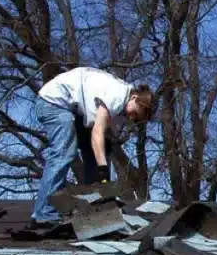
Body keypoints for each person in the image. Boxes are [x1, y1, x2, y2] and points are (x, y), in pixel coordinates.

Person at [29, 67, 156, 228]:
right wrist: (103, 169)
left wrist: (102, 168)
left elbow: (101, 137)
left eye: (136, 119)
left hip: (73, 109)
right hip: (52, 103)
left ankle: (95, 209)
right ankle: (43, 215)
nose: (132, 118)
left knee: (98, 151)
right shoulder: (117, 96)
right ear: (135, 97)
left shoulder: (122, 101)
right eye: (135, 114)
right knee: (64, 153)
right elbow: (97, 133)